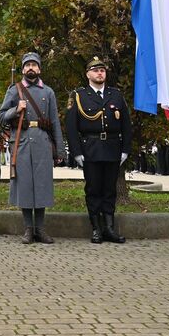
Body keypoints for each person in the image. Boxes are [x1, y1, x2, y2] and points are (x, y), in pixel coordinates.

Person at [0, 52, 65, 245]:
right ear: (22, 70)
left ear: (39, 69)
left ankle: (40, 229)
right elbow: (1, 116)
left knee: (42, 185)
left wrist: (60, 150)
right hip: (22, 142)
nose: (31, 68)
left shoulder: (48, 92)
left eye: (34, 65)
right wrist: (15, 110)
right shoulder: (14, 90)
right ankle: (28, 229)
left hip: (43, 142)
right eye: (27, 65)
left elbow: (54, 121)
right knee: (25, 185)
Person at [65, 56, 132, 244]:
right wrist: (77, 152)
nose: (100, 73)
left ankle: (109, 228)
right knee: (93, 189)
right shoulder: (79, 96)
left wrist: (125, 149)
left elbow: (126, 124)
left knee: (110, 190)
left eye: (102, 70)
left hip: (112, 148)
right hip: (91, 149)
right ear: (88, 74)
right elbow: (71, 127)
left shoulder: (115, 95)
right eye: (95, 70)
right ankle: (96, 228)